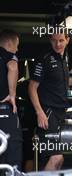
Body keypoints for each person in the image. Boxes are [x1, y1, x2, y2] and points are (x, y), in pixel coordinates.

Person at [28, 33, 72, 171]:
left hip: (60, 113)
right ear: (50, 41)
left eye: (61, 40)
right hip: (48, 112)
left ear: (67, 40)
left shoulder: (63, 58)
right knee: (56, 158)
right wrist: (39, 112)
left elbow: (61, 82)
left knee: (60, 159)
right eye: (54, 41)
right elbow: (32, 87)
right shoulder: (44, 58)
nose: (58, 44)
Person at [0, 29, 22, 170]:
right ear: (9, 43)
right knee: (12, 151)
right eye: (17, 45)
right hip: (4, 110)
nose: (17, 49)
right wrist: (12, 95)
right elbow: (13, 67)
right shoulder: (8, 55)